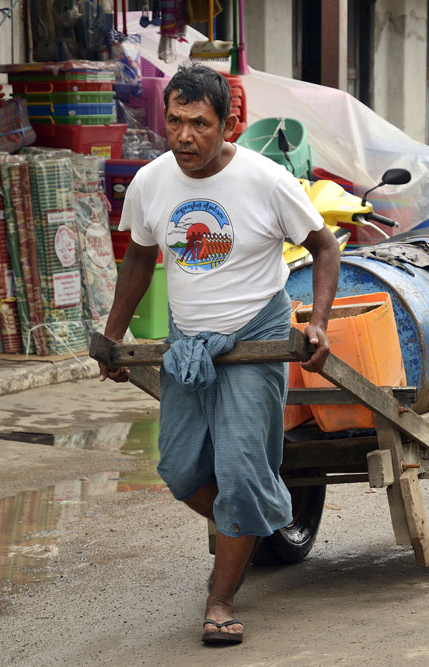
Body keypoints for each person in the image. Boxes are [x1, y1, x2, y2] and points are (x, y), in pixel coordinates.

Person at [98, 63, 340, 645]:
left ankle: (221, 596)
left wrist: (320, 324)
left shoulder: (267, 180)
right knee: (180, 470)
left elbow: (325, 247)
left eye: (199, 124)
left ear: (228, 124)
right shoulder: (153, 182)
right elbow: (138, 259)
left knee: (238, 473)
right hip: (189, 343)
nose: (184, 136)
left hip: (255, 337)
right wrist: (112, 337)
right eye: (175, 121)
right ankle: (250, 518)